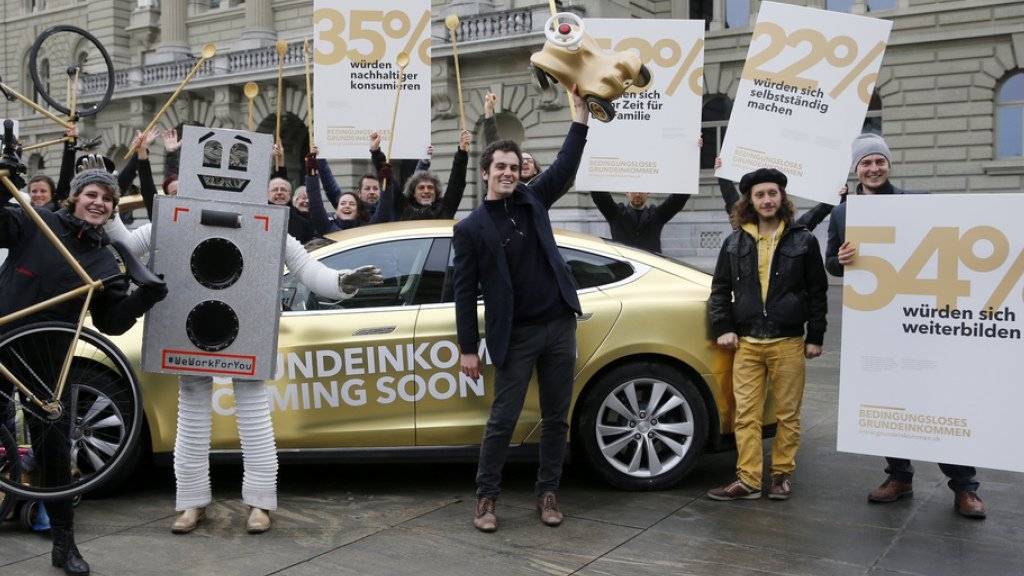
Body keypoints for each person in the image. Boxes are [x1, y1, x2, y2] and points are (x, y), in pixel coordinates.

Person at [104, 209, 383, 535]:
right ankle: (191, 501)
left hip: (246, 323)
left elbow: (306, 268)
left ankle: (260, 502)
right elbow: (126, 246)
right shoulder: (177, 216)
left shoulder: (266, 222)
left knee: (254, 414)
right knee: (192, 412)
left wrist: (340, 282)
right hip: (192, 322)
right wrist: (110, 213)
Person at [1, 169, 168, 575]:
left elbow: (111, 323)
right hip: (4, 343)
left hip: (50, 362)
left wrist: (144, 297)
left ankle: (64, 545)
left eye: (108, 199)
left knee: (55, 454)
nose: (100, 203)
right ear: (74, 198)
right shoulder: (38, 220)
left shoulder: (108, 257)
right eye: (92, 194)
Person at [825, 133, 986, 518]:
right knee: (890, 401)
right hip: (878, 323)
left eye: (879, 161)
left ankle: (965, 486)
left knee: (937, 398)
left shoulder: (917, 203)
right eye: (866, 163)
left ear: (889, 165)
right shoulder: (843, 213)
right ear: (856, 169)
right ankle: (899, 477)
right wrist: (841, 258)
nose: (874, 168)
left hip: (921, 320)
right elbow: (830, 262)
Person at [454, 88, 590, 533]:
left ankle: (547, 493)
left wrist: (581, 119)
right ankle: (486, 498)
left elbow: (566, 165)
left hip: (558, 327)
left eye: (514, 167)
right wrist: (468, 348)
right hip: (514, 336)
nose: (509, 173)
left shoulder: (534, 202)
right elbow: (463, 290)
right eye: (501, 167)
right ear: (487, 172)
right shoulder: (471, 228)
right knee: (503, 420)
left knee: (556, 418)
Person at [706, 168, 828, 502]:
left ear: (782, 197)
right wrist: (724, 328)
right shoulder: (734, 242)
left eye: (773, 193)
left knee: (788, 414)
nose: (767, 200)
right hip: (746, 342)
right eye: (760, 195)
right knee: (746, 415)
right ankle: (747, 480)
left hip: (788, 342)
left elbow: (818, 291)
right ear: (750, 200)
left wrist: (815, 335)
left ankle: (782, 476)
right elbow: (719, 290)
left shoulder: (803, 239)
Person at [588, 138, 702, 253]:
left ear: (648, 192)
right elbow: (599, 195)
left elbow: (680, 197)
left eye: (641, 190)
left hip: (651, 267)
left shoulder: (657, 216)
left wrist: (692, 154)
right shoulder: (616, 214)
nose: (637, 193)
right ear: (626, 192)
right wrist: (590, 151)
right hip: (624, 267)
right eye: (633, 190)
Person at [374, 130, 470, 222]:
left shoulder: (445, 208)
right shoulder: (403, 207)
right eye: (421, 188)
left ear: (436, 192)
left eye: (430, 187)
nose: (426, 191)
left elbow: (457, 183)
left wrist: (462, 152)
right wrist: (376, 152)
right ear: (413, 193)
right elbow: (387, 175)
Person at [305, 152, 394, 234]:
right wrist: (312, 175)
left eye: (352, 204)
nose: (347, 206)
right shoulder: (327, 227)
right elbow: (316, 205)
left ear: (358, 212)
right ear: (336, 210)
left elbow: (384, 210)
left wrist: (387, 185)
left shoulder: (368, 229)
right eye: (343, 203)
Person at [482, 92, 542, 183]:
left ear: (535, 170)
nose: (525, 162)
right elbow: (493, 145)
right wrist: (489, 111)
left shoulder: (542, 189)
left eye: (529, 161)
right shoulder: (506, 187)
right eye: (521, 161)